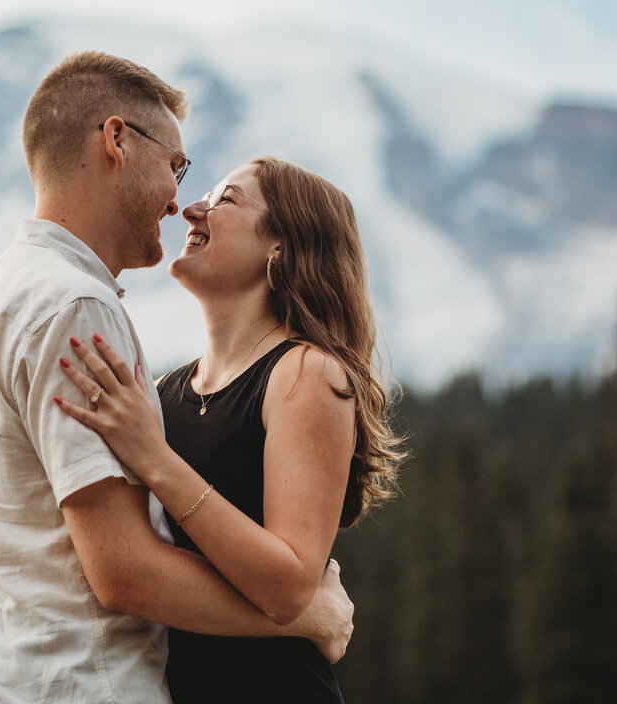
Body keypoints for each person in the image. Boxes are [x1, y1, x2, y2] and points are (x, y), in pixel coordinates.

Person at [0, 53, 354, 703]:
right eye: (176, 167)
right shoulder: (77, 306)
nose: (180, 203)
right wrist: (305, 615)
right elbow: (125, 573)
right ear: (117, 141)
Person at [55, 156, 405, 703]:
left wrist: (154, 458)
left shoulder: (306, 373)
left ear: (280, 247)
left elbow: (289, 585)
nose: (191, 210)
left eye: (225, 200)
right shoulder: (166, 390)